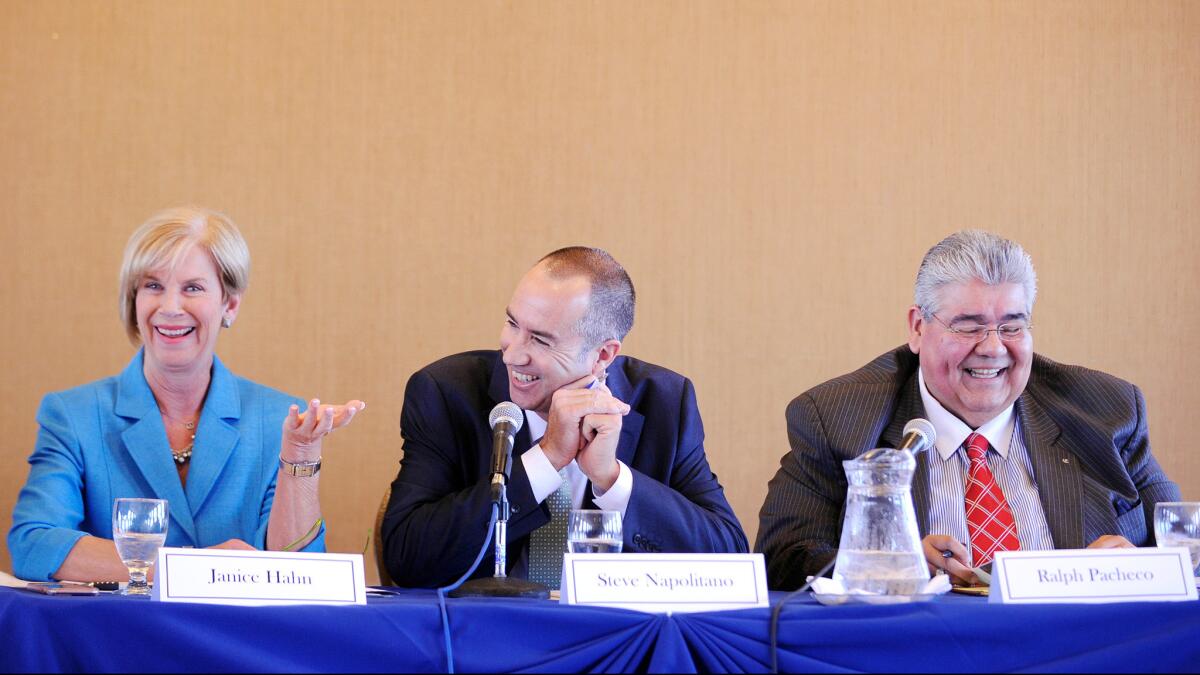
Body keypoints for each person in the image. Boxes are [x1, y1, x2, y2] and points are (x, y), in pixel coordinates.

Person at [756, 230, 1180, 590]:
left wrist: (1132, 568)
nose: (993, 347)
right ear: (918, 328)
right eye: (969, 326)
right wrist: (891, 567)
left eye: (1012, 326)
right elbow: (782, 558)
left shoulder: (1106, 413)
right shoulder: (838, 418)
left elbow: (1181, 551)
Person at [8, 206, 365, 582]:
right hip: (117, 638)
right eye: (153, 286)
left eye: (192, 288)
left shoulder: (276, 419)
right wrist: (191, 567)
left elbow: (299, 572)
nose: (170, 307)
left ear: (230, 303)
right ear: (134, 299)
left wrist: (301, 456)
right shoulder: (73, 415)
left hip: (238, 640)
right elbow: (35, 545)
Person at [381, 246, 747, 588]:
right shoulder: (446, 393)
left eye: (540, 340)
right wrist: (545, 458)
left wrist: (612, 479)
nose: (512, 355)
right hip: (487, 637)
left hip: (617, 642)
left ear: (603, 354)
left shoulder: (664, 403)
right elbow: (407, 557)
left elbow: (730, 561)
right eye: (512, 324)